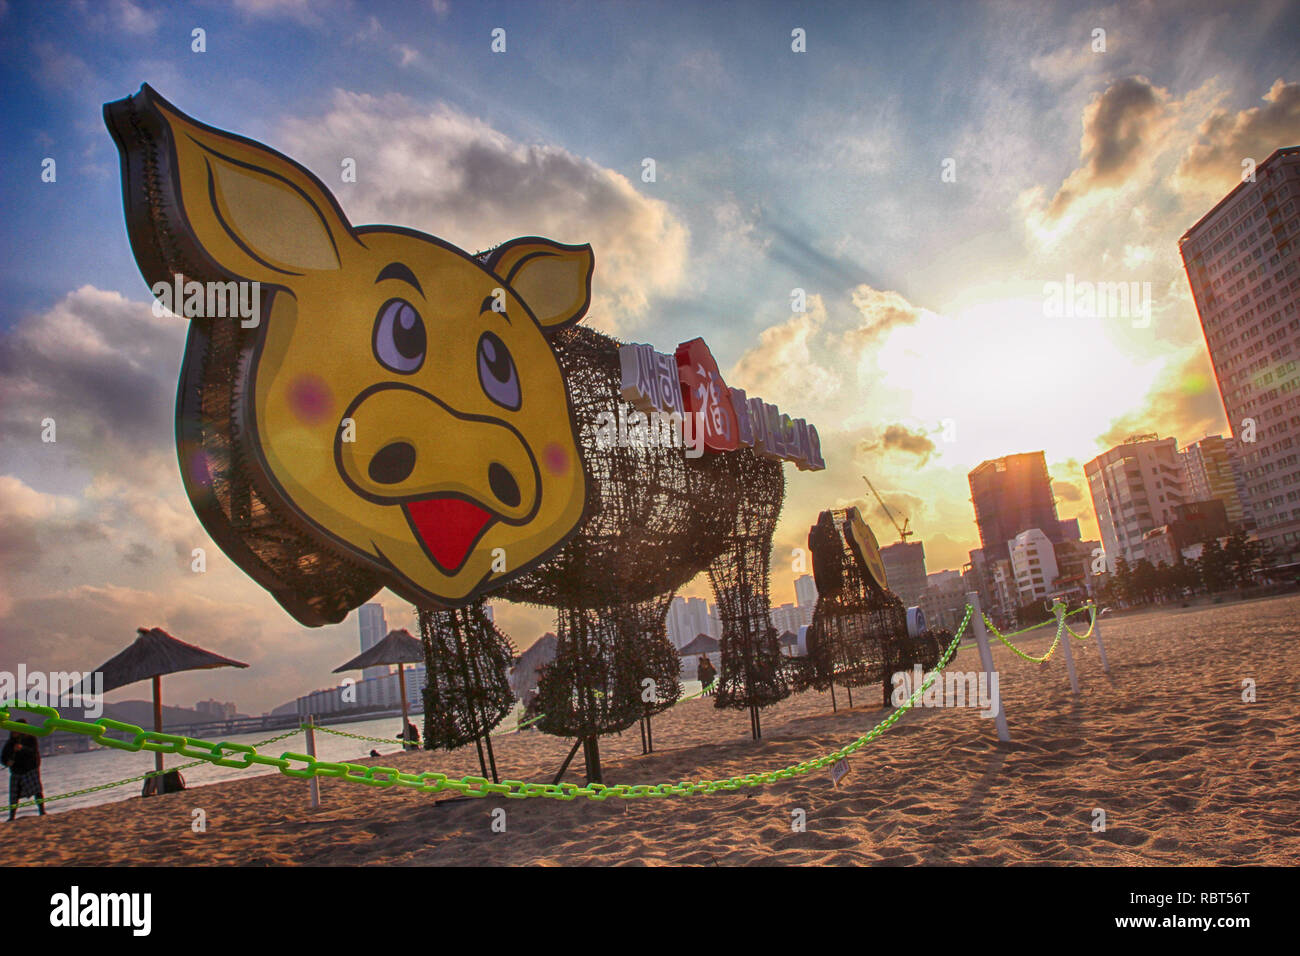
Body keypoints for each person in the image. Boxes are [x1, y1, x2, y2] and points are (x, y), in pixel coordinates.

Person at [3, 719, 46, 821]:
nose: (14, 733)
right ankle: (11, 816)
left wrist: (22, 748)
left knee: (37, 791)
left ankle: (42, 811)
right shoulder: (10, 743)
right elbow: (4, 757)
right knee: (14, 795)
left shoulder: (31, 738)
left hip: (30, 769)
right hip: (17, 771)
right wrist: (7, 762)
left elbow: (33, 752)